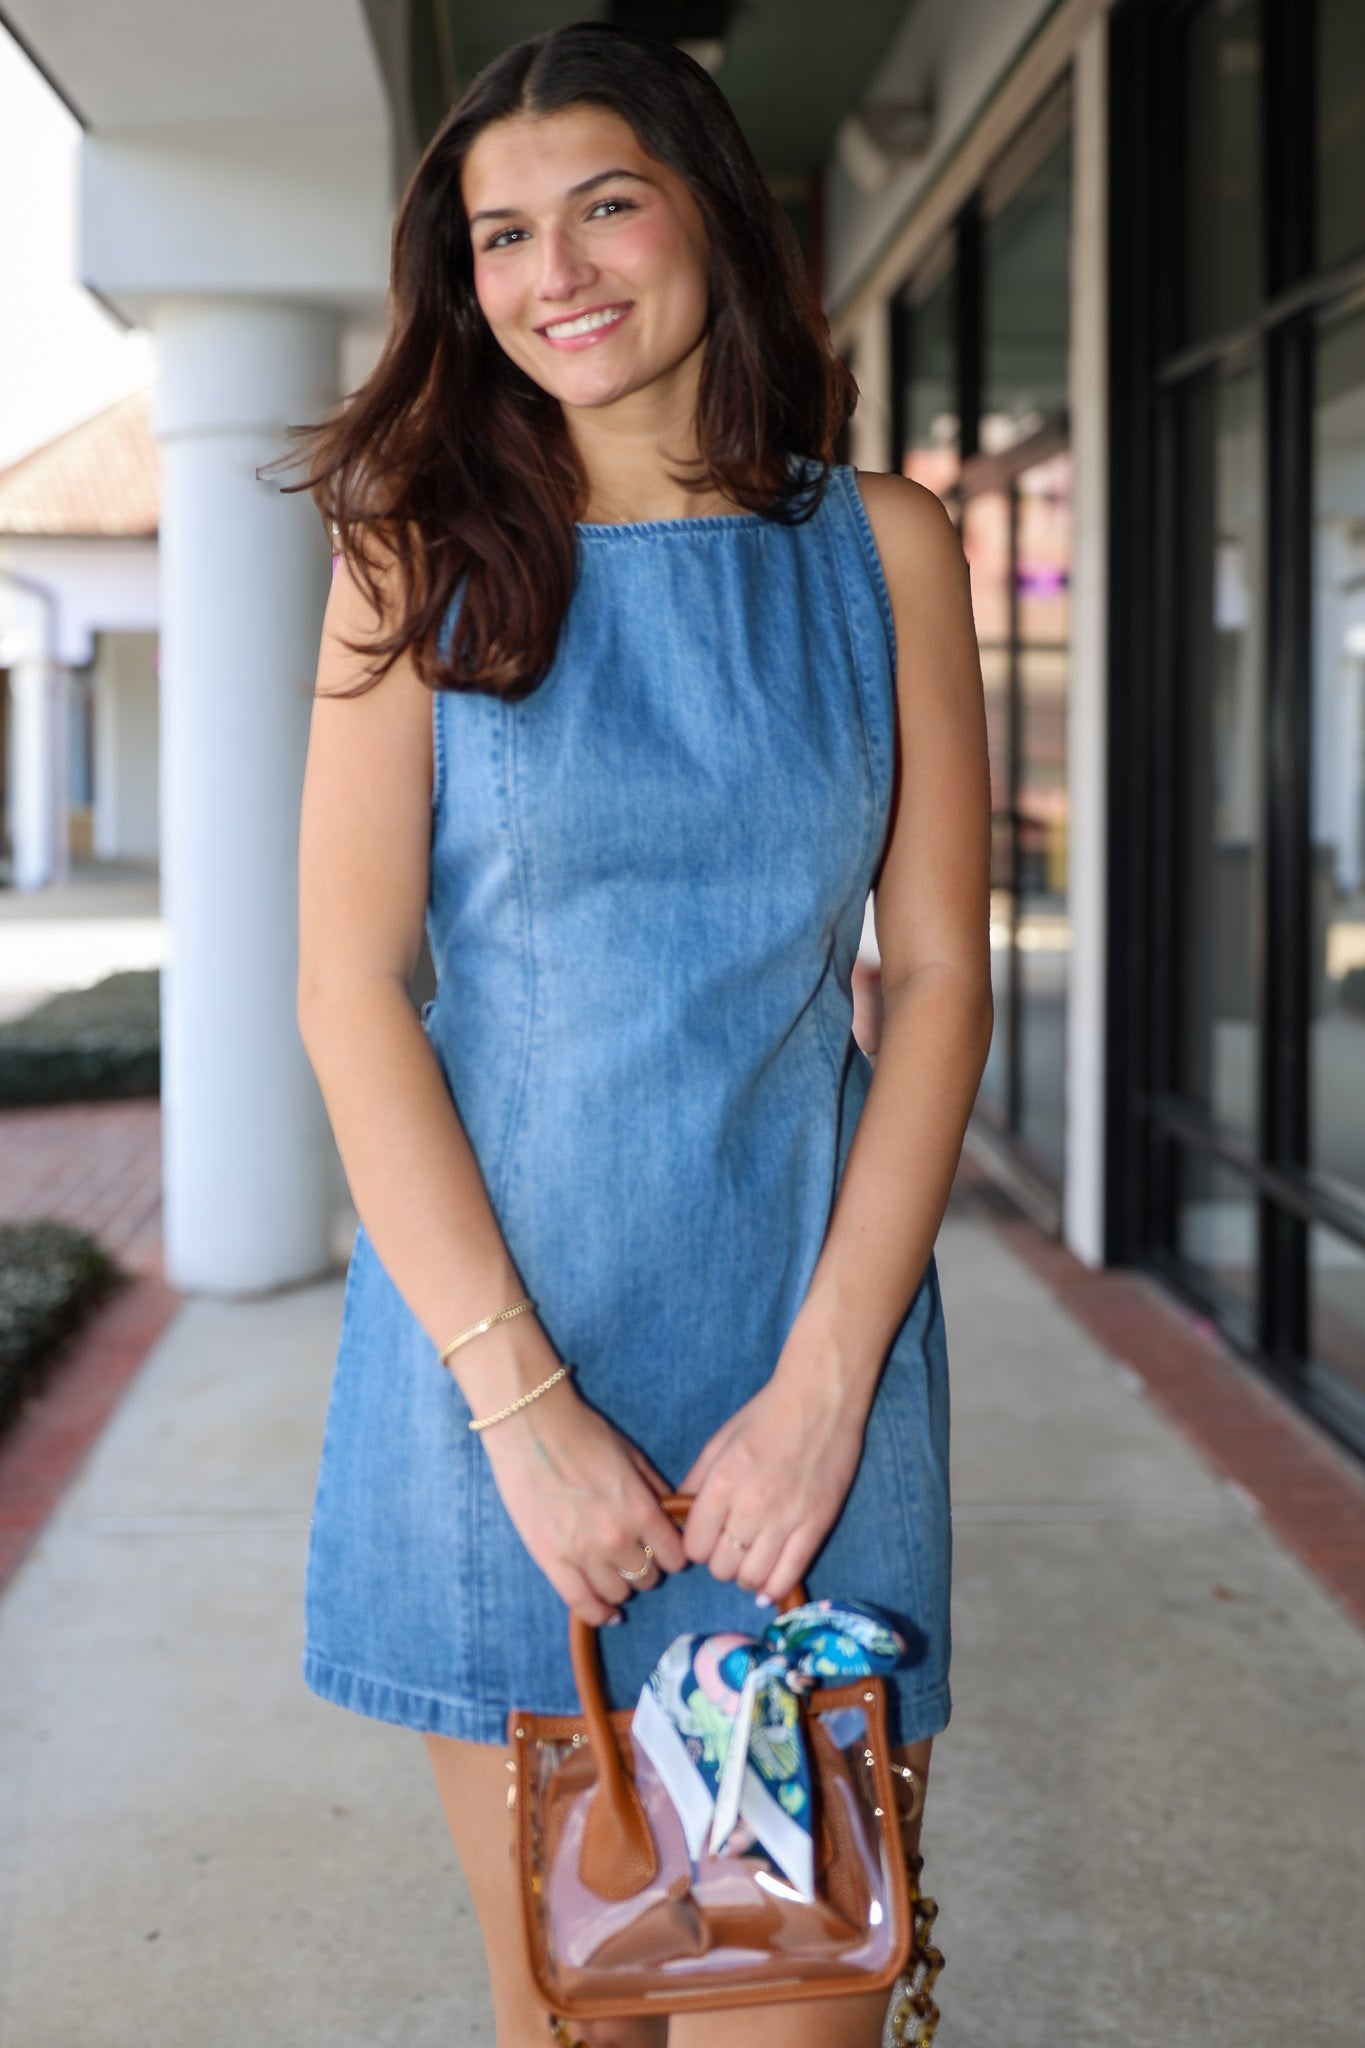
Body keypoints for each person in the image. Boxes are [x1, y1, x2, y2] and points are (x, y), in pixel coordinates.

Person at [288, 21, 991, 2048]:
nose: (554, 270)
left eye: (604, 204)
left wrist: (824, 1388)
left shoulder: (882, 551)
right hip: (499, 1408)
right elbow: (349, 991)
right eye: (500, 234)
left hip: (809, 1379)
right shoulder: (408, 551)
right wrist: (525, 1411)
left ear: (709, 213)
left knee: (789, 1999)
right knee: (576, 2016)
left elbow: (933, 972)